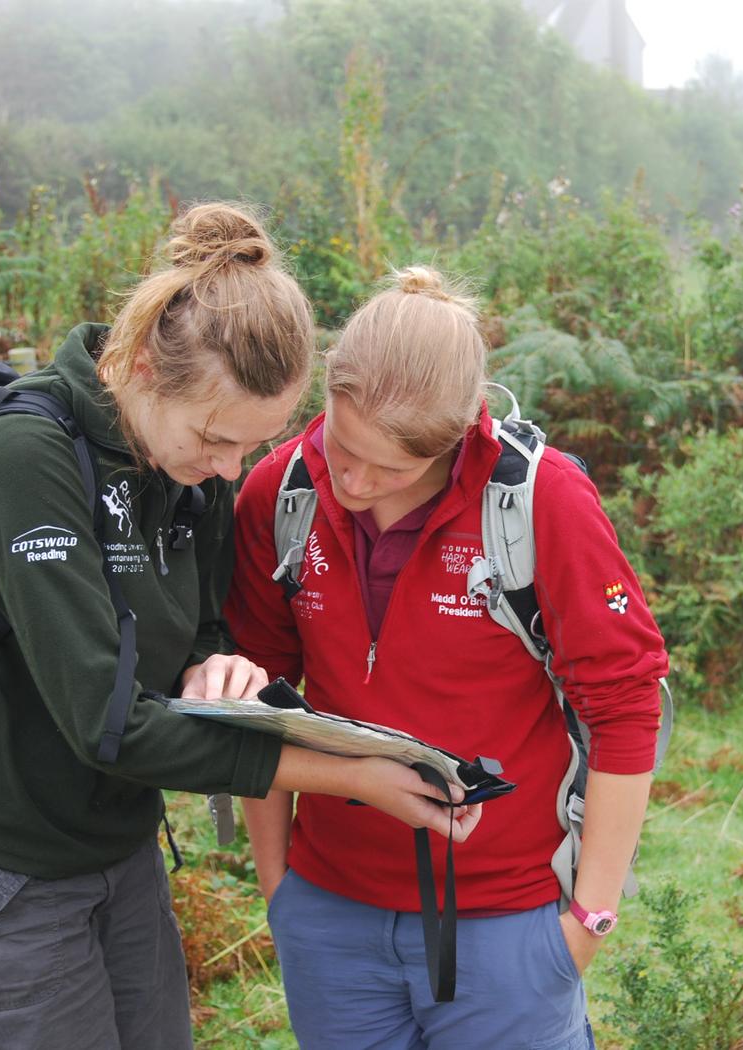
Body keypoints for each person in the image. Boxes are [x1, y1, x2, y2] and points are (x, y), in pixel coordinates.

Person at [0, 206, 479, 1050]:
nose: (231, 470)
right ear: (138, 368)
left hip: (115, 850)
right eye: (216, 439)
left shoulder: (185, 467)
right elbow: (108, 722)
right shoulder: (23, 459)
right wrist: (351, 775)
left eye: (255, 445)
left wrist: (214, 667)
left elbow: (200, 624)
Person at [227, 266, 669, 1049]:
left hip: (508, 927)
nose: (353, 480)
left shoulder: (541, 502)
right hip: (329, 917)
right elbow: (256, 693)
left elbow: (627, 704)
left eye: (392, 467)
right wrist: (278, 887)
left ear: (461, 432)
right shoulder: (279, 491)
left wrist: (589, 918)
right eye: (341, 445)